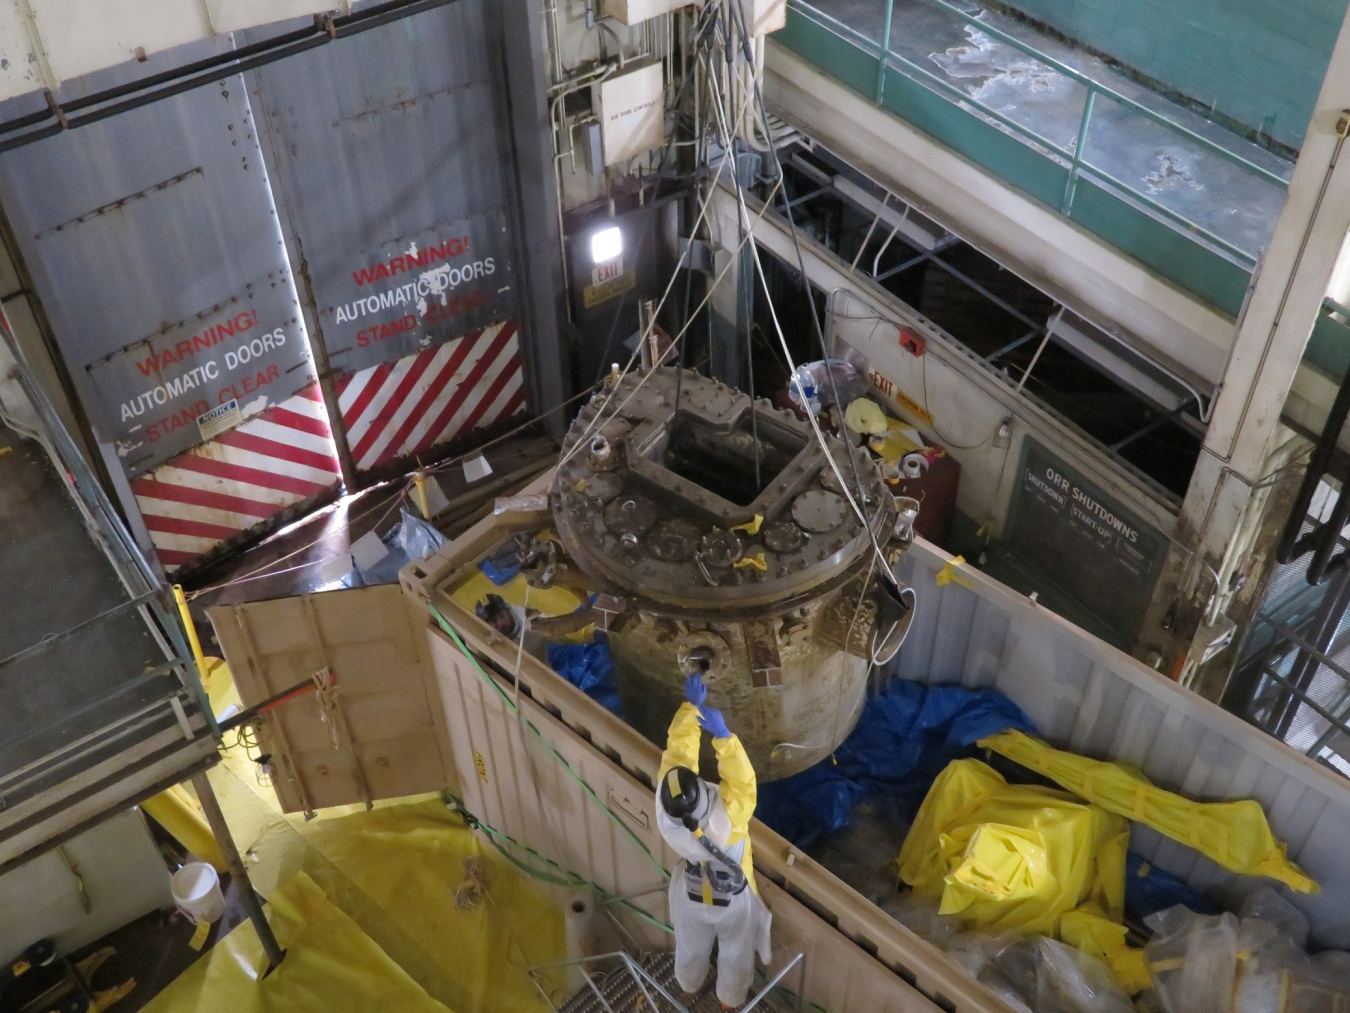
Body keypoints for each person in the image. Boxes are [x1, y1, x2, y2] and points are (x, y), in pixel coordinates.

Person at [655, 671, 772, 1008]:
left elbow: (676, 757)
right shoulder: (728, 819)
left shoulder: (668, 816)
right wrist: (723, 737)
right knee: (736, 950)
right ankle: (728, 1001)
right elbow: (743, 783)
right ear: (704, 795)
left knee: (690, 943)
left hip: (691, 896)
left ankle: (689, 985)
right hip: (731, 902)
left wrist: (689, 707)